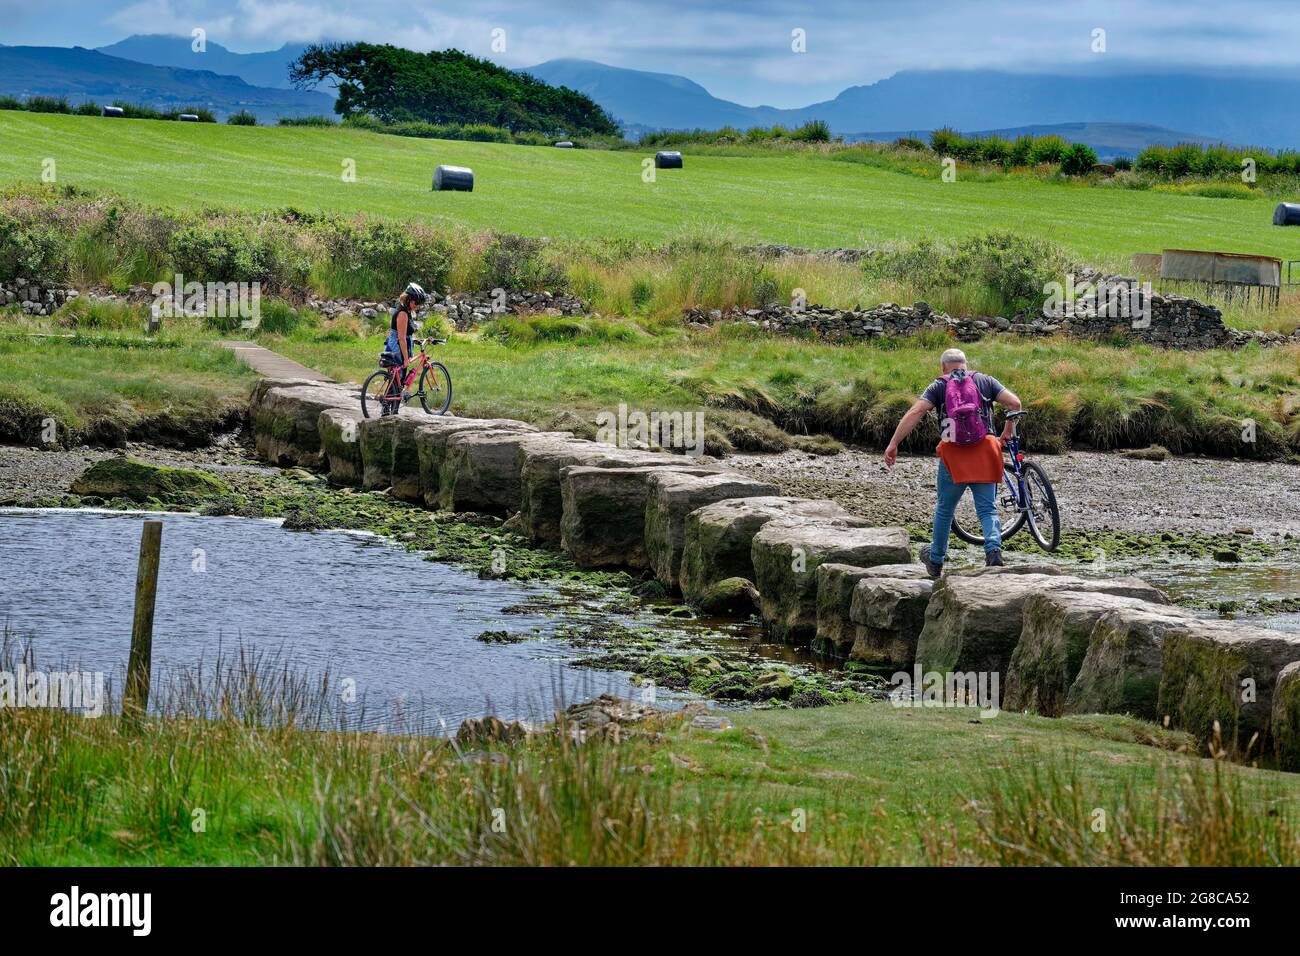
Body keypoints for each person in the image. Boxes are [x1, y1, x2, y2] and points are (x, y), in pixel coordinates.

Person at [883, 348, 1022, 577]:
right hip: (985, 450)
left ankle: (936, 561)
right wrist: (1007, 431)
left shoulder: (939, 385)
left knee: (945, 510)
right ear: (966, 364)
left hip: (953, 454)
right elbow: (1015, 403)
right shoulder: (985, 380)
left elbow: (916, 411)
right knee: (987, 509)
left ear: (943, 367)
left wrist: (894, 442)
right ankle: (993, 552)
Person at [382, 282, 428, 403]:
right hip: (397, 348)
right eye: (416, 303)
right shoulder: (402, 313)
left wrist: (415, 340)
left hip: (398, 344)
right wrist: (406, 359)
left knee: (397, 381)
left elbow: (405, 333)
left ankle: (391, 411)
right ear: (409, 300)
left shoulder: (406, 311)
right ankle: (388, 410)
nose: (418, 306)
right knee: (397, 379)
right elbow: (401, 338)